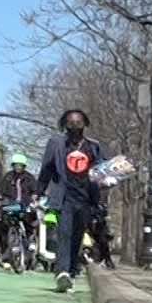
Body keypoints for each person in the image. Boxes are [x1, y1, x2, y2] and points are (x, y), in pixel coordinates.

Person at [37, 107, 110, 291]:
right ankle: (61, 271)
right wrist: (39, 191)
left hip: (86, 198)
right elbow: (46, 169)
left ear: (85, 124)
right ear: (65, 125)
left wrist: (109, 180)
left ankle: (70, 271)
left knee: (77, 235)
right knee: (64, 232)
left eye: (78, 122)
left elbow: (102, 171)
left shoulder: (93, 146)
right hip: (64, 196)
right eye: (71, 123)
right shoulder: (56, 144)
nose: (75, 126)